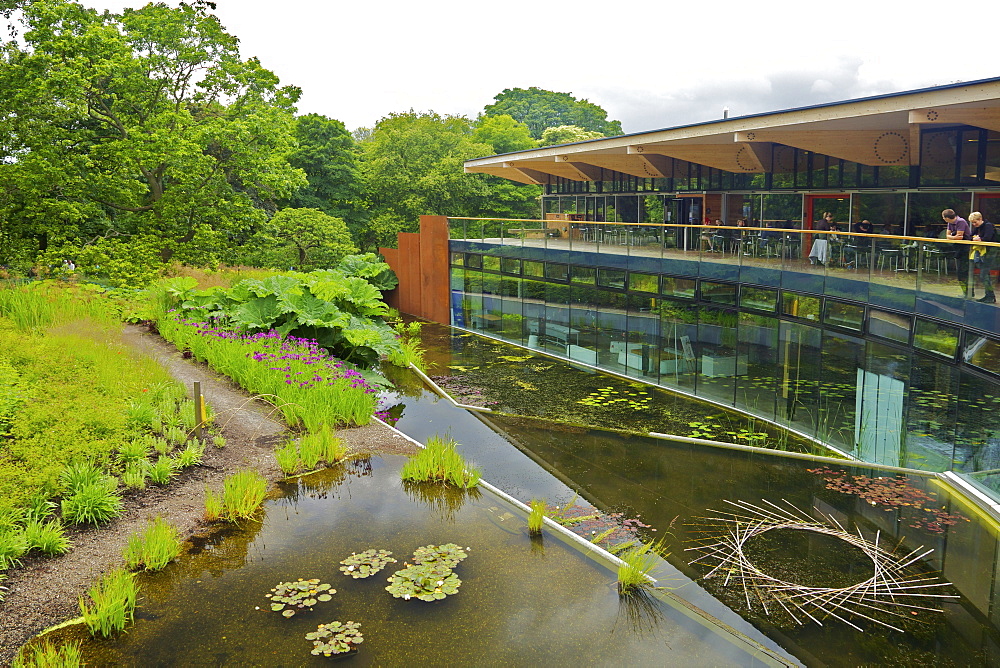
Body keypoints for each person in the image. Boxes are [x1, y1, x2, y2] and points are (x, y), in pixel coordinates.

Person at [943, 208, 972, 295]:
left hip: (965, 248)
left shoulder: (961, 221)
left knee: (963, 271)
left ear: (947, 217)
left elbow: (959, 237)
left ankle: (968, 292)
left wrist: (952, 236)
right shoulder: (950, 223)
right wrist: (953, 236)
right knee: (959, 271)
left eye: (944, 218)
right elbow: (947, 236)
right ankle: (965, 291)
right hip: (958, 248)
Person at [969, 211, 996, 303]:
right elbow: (970, 236)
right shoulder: (978, 227)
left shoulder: (988, 226)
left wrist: (979, 239)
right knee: (984, 275)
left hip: (990, 252)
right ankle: (989, 295)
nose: (974, 224)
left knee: (984, 274)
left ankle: (990, 296)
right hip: (983, 253)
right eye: (972, 223)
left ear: (980, 219)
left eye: (975, 222)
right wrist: (974, 238)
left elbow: (987, 238)